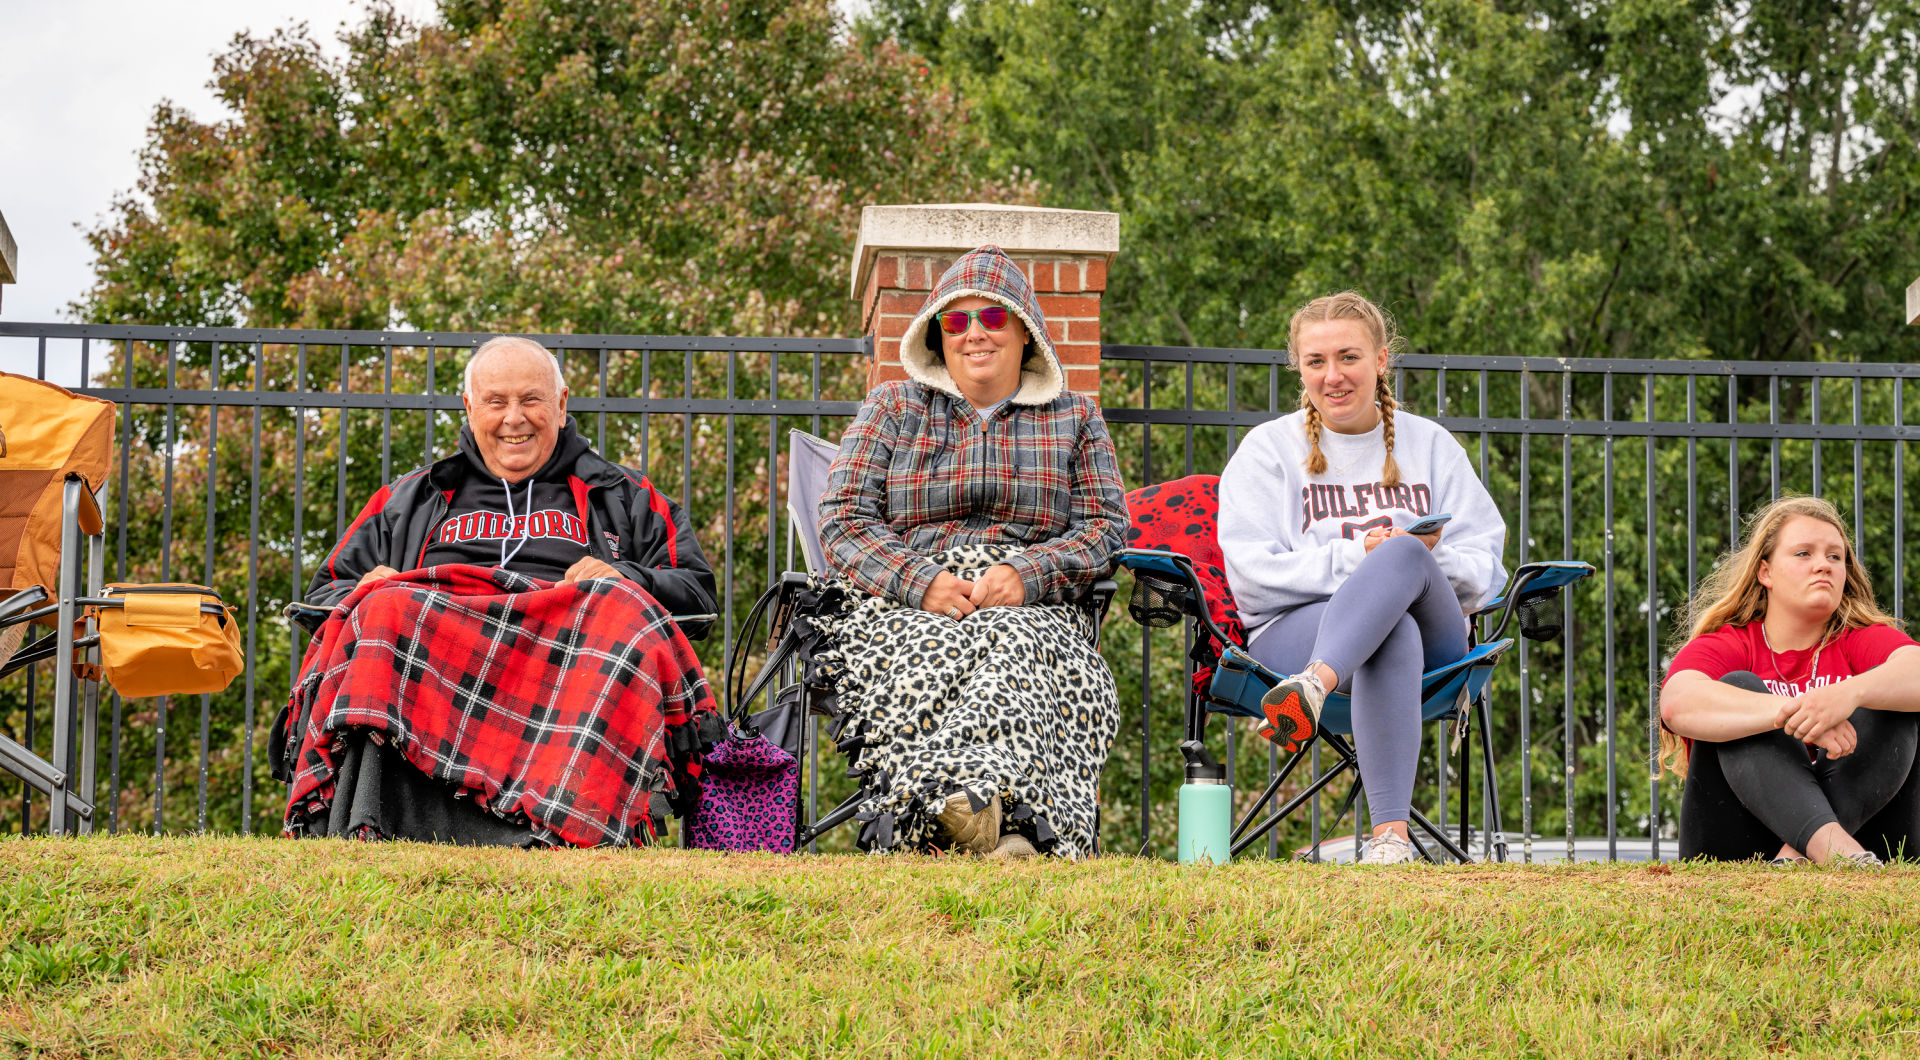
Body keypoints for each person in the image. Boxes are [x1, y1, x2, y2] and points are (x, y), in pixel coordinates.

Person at [276, 335, 721, 847]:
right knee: (383, 604)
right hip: (435, 679)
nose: (515, 418)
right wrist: (364, 590)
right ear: (469, 409)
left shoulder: (628, 496)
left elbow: (697, 597)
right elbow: (325, 595)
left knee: (615, 605)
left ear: (561, 405)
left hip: (569, 681)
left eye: (531, 400)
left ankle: (580, 825)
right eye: (496, 402)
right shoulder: (409, 497)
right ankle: (369, 820)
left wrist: (625, 579)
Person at [816, 245, 1128, 859]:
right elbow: (842, 520)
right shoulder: (893, 407)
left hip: (1029, 605)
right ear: (937, 336)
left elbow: (1105, 527)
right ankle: (1011, 830)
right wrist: (920, 582)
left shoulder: (1076, 418)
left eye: (993, 318)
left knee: (1015, 645)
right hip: (903, 604)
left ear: (1026, 333)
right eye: (955, 322)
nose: (974, 335)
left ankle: (960, 810)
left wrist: (1026, 572)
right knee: (947, 652)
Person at [1217, 291, 1507, 865]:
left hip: (1437, 647)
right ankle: (1392, 840)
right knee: (1387, 627)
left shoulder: (1431, 446)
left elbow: (1487, 571)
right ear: (1298, 368)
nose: (1333, 377)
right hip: (1292, 636)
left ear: (1381, 359)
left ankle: (1313, 688)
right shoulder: (1269, 451)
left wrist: (1412, 561)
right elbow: (1251, 578)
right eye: (1316, 362)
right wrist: (1357, 558)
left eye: (1348, 357)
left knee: (1401, 560)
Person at [1659, 495, 1920, 865]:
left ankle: (1801, 855)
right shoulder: (1733, 642)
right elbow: (1677, 702)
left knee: (1889, 699)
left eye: (1835, 556)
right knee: (1739, 689)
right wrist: (1798, 714)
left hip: (1868, 842)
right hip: (1740, 848)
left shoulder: (1859, 638)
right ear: (1765, 572)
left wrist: (1848, 693)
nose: (1823, 566)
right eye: (1803, 554)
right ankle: (1832, 850)